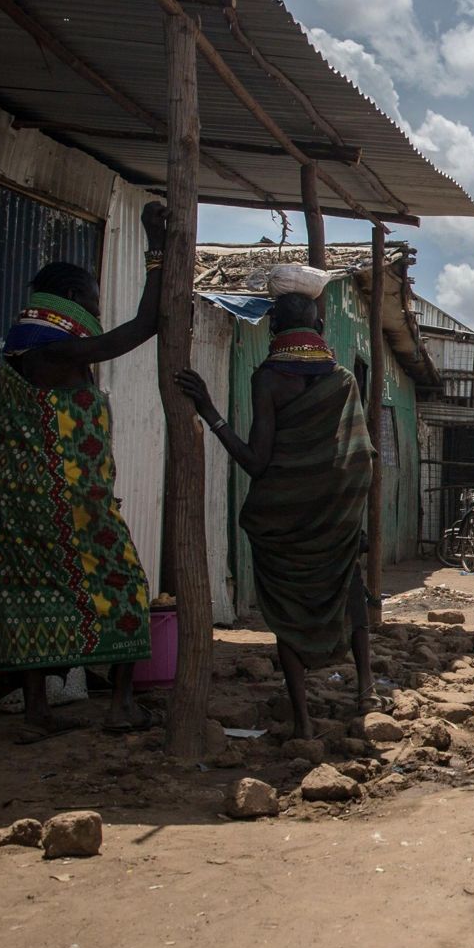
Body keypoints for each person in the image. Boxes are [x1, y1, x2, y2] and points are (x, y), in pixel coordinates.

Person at [0, 202, 168, 740]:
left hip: (19, 504)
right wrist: (155, 250)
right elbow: (141, 327)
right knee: (128, 587)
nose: (96, 305)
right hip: (70, 501)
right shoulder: (58, 352)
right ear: (70, 301)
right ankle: (120, 705)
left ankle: (36, 712)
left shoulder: (22, 351)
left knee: (30, 595)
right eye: (91, 297)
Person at [177, 290, 376, 737]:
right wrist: (345, 511)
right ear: (320, 330)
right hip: (332, 520)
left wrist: (210, 412)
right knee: (350, 589)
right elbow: (360, 456)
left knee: (285, 610)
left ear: (272, 329)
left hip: (281, 524)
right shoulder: (344, 380)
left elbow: (256, 463)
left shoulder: (267, 379)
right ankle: (367, 690)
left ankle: (303, 722)